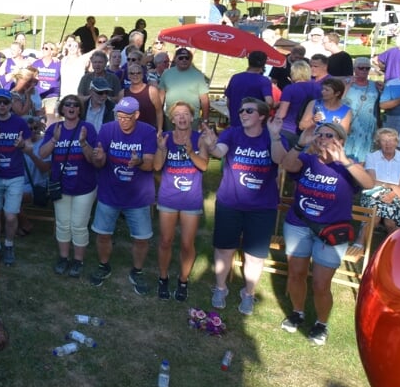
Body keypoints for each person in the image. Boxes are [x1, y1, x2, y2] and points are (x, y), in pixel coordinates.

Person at [277, 123, 372, 346]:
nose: (323, 138)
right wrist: (300, 143)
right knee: (296, 274)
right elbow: (288, 164)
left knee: (321, 283)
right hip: (298, 225)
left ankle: (321, 323)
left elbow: (368, 183)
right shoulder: (308, 161)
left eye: (330, 135)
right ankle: (297, 312)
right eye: (319, 134)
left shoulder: (348, 167)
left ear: (341, 140)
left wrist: (345, 160)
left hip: (331, 231)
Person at [205, 99, 286, 315]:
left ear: (261, 116)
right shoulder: (232, 133)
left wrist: (275, 135)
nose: (242, 113)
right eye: (241, 110)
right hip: (230, 202)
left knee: (255, 255)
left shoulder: (272, 135)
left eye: (249, 110)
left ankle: (248, 293)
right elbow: (220, 152)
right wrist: (212, 144)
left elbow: (281, 160)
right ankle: (220, 287)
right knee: (224, 248)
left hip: (262, 206)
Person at [86, 95, 157, 292]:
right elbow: (98, 162)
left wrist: (139, 162)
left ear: (137, 115)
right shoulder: (108, 129)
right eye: (119, 116)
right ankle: (103, 265)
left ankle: (138, 270)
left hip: (138, 195)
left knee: (141, 238)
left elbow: (150, 164)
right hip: (110, 191)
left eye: (127, 117)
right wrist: (99, 158)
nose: (123, 120)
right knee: (103, 234)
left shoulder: (148, 131)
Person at [153, 102, 209, 301]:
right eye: (178, 115)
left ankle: (183, 281)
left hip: (191, 199)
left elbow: (203, 166)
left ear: (192, 118)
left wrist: (191, 152)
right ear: (172, 118)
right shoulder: (165, 138)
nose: (182, 118)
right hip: (168, 196)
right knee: (166, 241)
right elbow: (157, 166)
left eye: (186, 114)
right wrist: (161, 149)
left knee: (187, 244)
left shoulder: (199, 138)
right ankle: (163, 278)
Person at [38, 94, 97, 277]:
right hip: (61, 185)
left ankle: (78, 260)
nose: (71, 107)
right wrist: (54, 140)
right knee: (63, 224)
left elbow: (93, 159)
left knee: (79, 225)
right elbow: (42, 153)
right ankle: (64, 258)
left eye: (75, 105)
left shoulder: (88, 128)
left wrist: (83, 142)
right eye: (67, 105)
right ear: (62, 109)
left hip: (84, 185)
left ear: (80, 109)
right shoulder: (54, 128)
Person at [0, 89, 31, 265]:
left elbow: (30, 148)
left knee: (10, 216)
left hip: (15, 175)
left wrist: (22, 145)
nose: (2, 105)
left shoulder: (19, 123)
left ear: (11, 104)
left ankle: (9, 244)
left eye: (5, 102)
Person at [361, 128, 400, 231]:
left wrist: (392, 194)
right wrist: (391, 186)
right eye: (384, 141)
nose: (388, 144)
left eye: (392, 140)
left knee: (389, 222)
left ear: (396, 142)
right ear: (378, 143)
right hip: (376, 190)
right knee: (375, 217)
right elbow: (372, 182)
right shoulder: (371, 157)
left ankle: (392, 244)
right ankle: (360, 243)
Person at [224, 51, 273, 125]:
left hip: (235, 121)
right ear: (263, 64)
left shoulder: (235, 78)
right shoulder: (264, 81)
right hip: (253, 124)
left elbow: (228, 102)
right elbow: (269, 102)